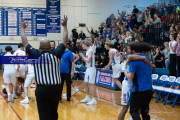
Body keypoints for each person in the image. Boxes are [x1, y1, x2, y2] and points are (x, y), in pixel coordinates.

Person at [20, 15, 68, 120]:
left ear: (40, 47)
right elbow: (65, 41)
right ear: (50, 47)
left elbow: (25, 42)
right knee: (53, 113)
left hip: (42, 89)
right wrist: (64, 26)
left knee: (43, 114)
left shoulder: (36, 54)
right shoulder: (56, 54)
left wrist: (23, 28)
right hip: (56, 89)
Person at [118, 43, 151, 120]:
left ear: (133, 50)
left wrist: (143, 57)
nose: (127, 50)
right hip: (128, 84)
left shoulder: (138, 59)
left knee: (136, 109)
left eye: (129, 48)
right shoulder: (132, 58)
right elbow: (129, 57)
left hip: (135, 85)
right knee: (125, 108)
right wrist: (143, 57)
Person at [79, 40, 97, 105]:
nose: (82, 46)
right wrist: (83, 57)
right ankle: (87, 97)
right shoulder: (87, 51)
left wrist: (83, 57)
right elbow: (86, 61)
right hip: (88, 69)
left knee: (91, 84)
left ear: (85, 44)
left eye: (83, 45)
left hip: (91, 69)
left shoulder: (90, 51)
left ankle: (94, 99)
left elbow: (88, 61)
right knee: (85, 83)